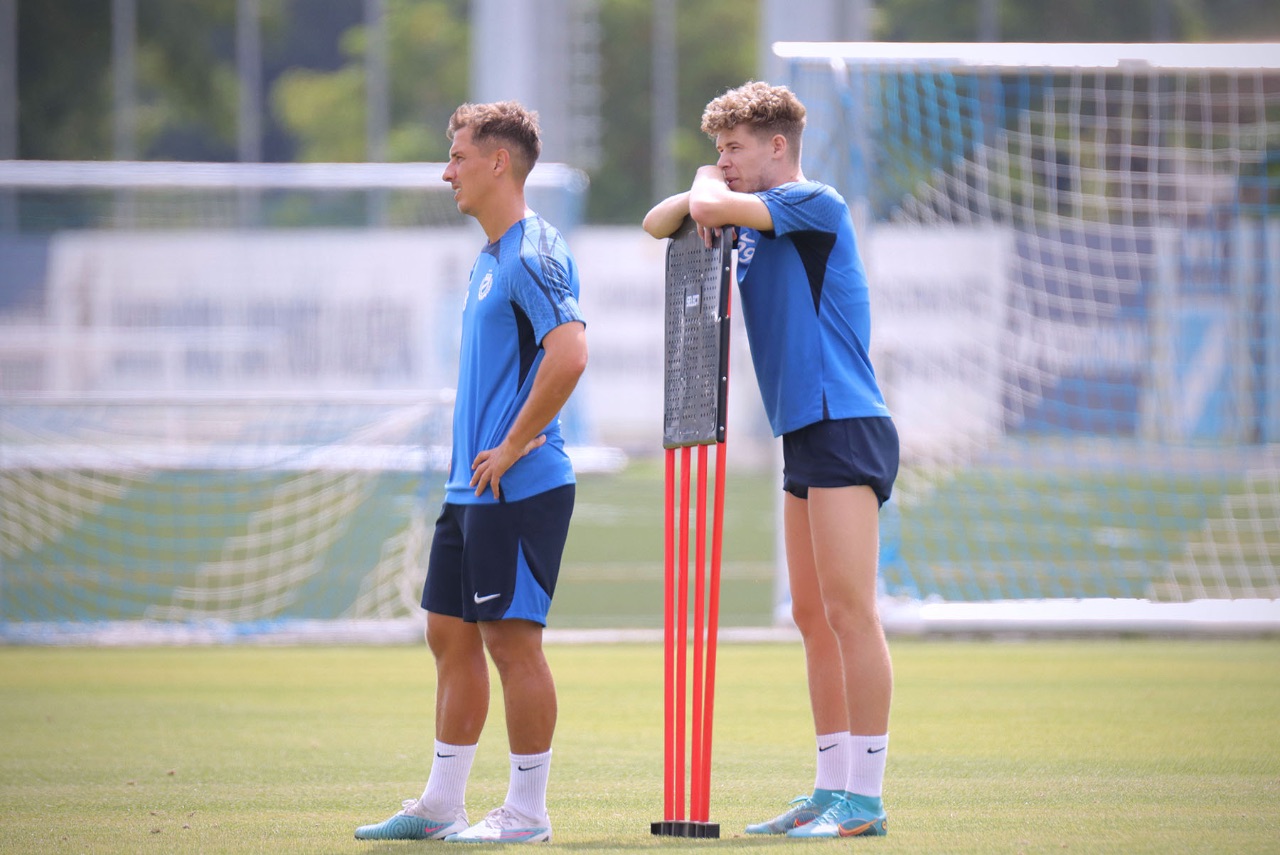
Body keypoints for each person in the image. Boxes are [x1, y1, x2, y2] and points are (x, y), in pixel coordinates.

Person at [643, 81, 898, 839]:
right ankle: (829, 787)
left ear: (777, 146)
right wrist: (708, 187)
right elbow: (658, 222)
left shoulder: (813, 201)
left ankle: (866, 799)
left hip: (843, 417)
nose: (723, 161)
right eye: (718, 150)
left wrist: (707, 188)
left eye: (735, 148)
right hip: (803, 427)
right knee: (811, 615)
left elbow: (703, 205)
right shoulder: (743, 209)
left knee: (851, 612)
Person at [356, 101, 587, 845]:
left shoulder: (533, 252)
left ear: (498, 162)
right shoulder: (490, 256)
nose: (446, 171)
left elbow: (570, 353)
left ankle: (526, 813)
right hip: (471, 488)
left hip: (518, 484)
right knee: (449, 635)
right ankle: (441, 805)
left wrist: (513, 445)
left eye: (457, 156)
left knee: (512, 644)